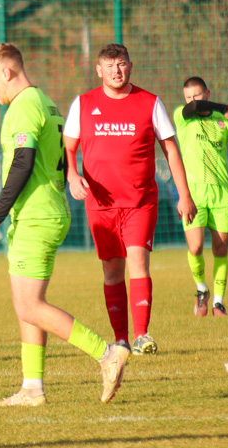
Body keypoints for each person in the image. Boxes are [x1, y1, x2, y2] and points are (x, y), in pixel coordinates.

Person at [0, 43, 130, 406]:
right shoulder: (44, 100)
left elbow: (23, 162)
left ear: (6, 73)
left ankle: (107, 354)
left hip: (36, 215)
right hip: (44, 213)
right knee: (27, 304)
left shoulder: (24, 105)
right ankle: (32, 388)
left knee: (30, 306)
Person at [64, 44, 197, 355]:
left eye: (121, 64)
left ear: (131, 66)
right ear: (98, 70)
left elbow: (171, 150)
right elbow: (68, 148)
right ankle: (121, 338)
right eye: (109, 66)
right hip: (100, 204)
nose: (116, 71)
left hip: (140, 201)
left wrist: (184, 195)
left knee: (137, 260)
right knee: (112, 270)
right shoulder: (83, 104)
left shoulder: (149, 102)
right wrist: (71, 176)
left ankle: (142, 335)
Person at [174, 77, 228, 317]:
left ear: (208, 93)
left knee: (220, 249)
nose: (193, 100)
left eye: (198, 95)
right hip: (192, 194)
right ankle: (202, 290)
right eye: (188, 97)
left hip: (221, 193)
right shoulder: (183, 116)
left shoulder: (226, 120)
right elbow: (194, 108)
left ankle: (218, 303)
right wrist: (224, 106)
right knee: (195, 247)